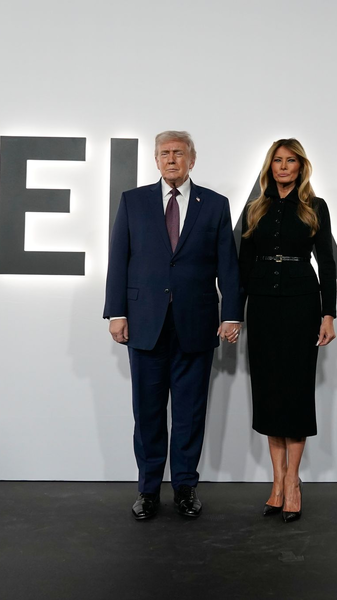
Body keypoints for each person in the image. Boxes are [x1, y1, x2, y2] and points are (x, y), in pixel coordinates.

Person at [104, 131, 243, 521]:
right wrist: (116, 312)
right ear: (155, 159)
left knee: (189, 412)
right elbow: (119, 259)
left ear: (191, 160)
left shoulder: (215, 205)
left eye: (178, 153)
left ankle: (185, 488)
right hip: (145, 323)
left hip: (196, 324)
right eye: (164, 153)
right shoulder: (133, 201)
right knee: (147, 413)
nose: (171, 160)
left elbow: (227, 265)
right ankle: (148, 490)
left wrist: (231, 313)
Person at [239, 138, 337, 523]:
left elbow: (326, 262)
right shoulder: (254, 209)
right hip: (262, 304)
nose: (283, 167)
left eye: (290, 161)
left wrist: (328, 313)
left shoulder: (315, 207)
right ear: (270, 167)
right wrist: (234, 313)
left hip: (301, 304)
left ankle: (293, 483)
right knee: (267, 391)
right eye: (277, 161)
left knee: (294, 391)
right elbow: (243, 264)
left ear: (301, 167)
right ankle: (276, 483)